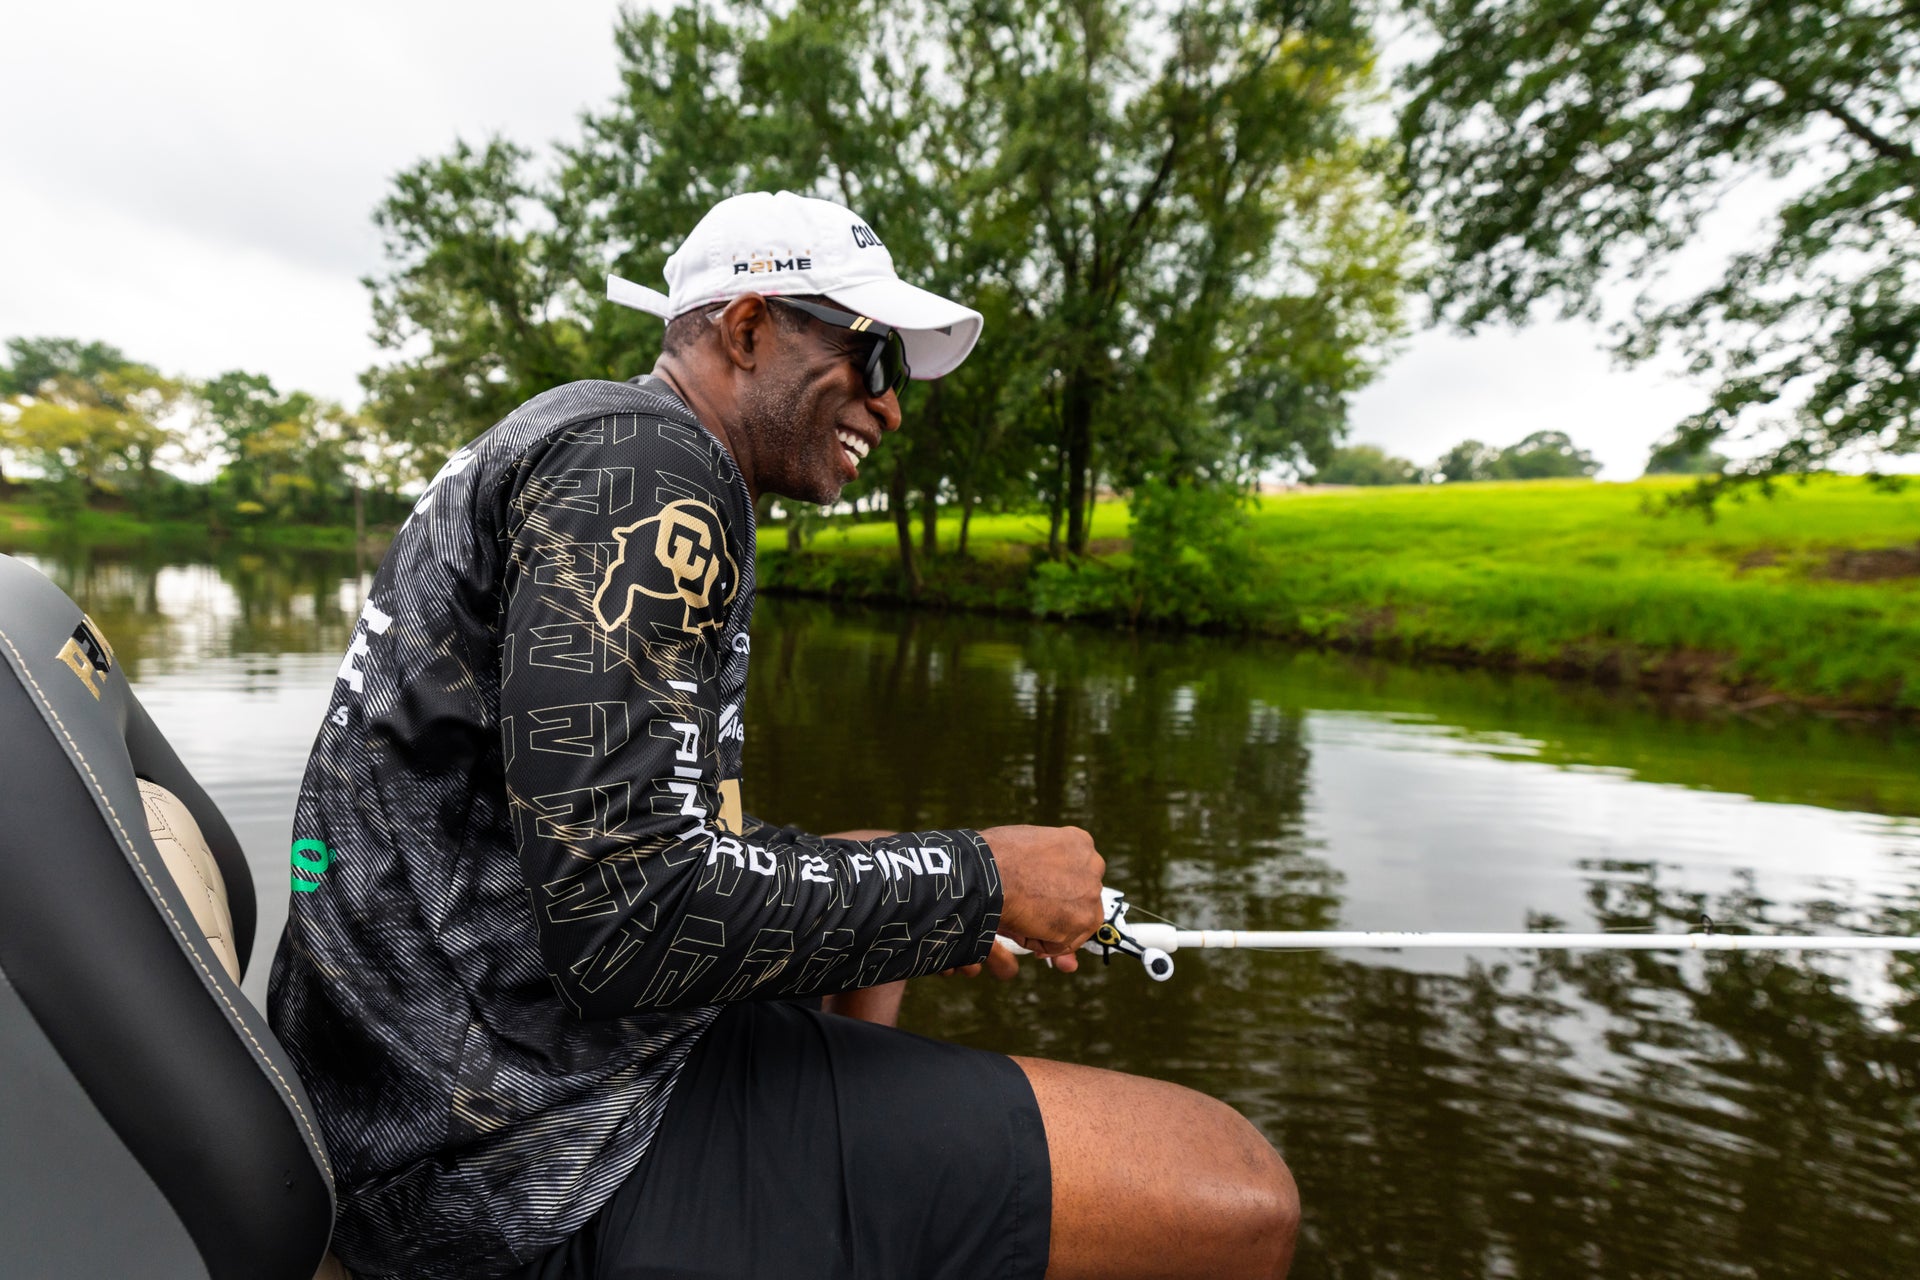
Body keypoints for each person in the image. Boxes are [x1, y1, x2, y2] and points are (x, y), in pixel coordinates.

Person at [269, 190, 1299, 1280]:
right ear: (749, 327)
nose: (890, 405)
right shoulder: (648, 473)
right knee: (1234, 1189)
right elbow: (626, 917)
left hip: (435, 1077)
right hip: (506, 1159)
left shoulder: (600, 447)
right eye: (872, 358)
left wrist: (908, 884)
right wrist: (978, 881)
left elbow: (609, 851)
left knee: (868, 859)